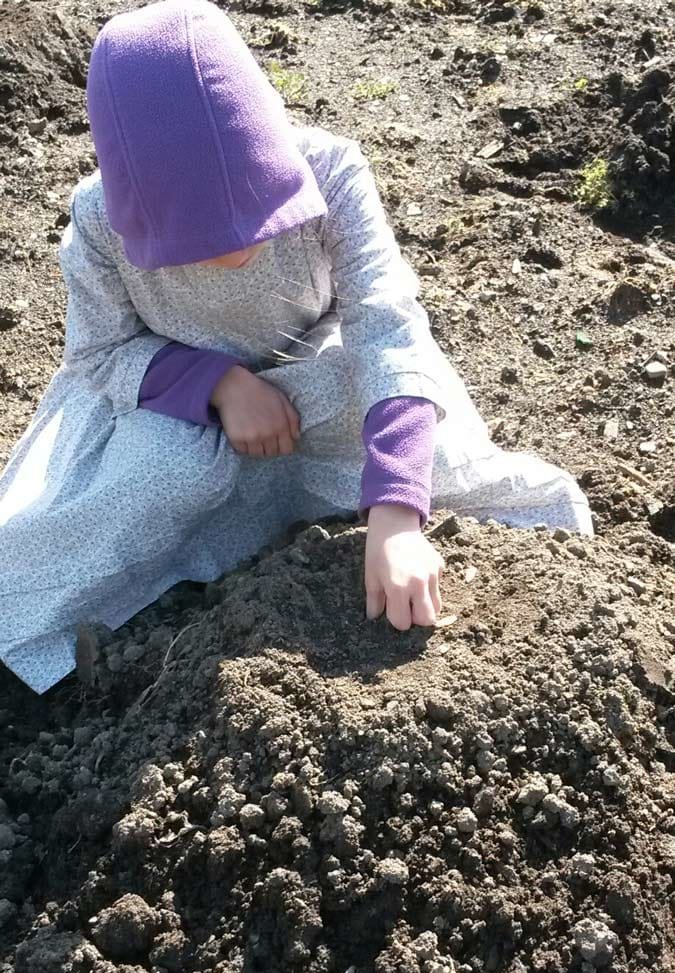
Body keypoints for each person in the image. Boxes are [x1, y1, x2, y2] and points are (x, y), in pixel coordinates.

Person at [0, 0, 592, 695]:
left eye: (251, 223)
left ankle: (289, 507)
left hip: (311, 378)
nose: (236, 255)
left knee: (402, 434)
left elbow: (385, 327)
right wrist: (219, 384)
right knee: (153, 482)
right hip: (164, 409)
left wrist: (397, 516)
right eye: (201, 243)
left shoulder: (331, 173)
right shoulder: (101, 221)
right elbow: (98, 357)